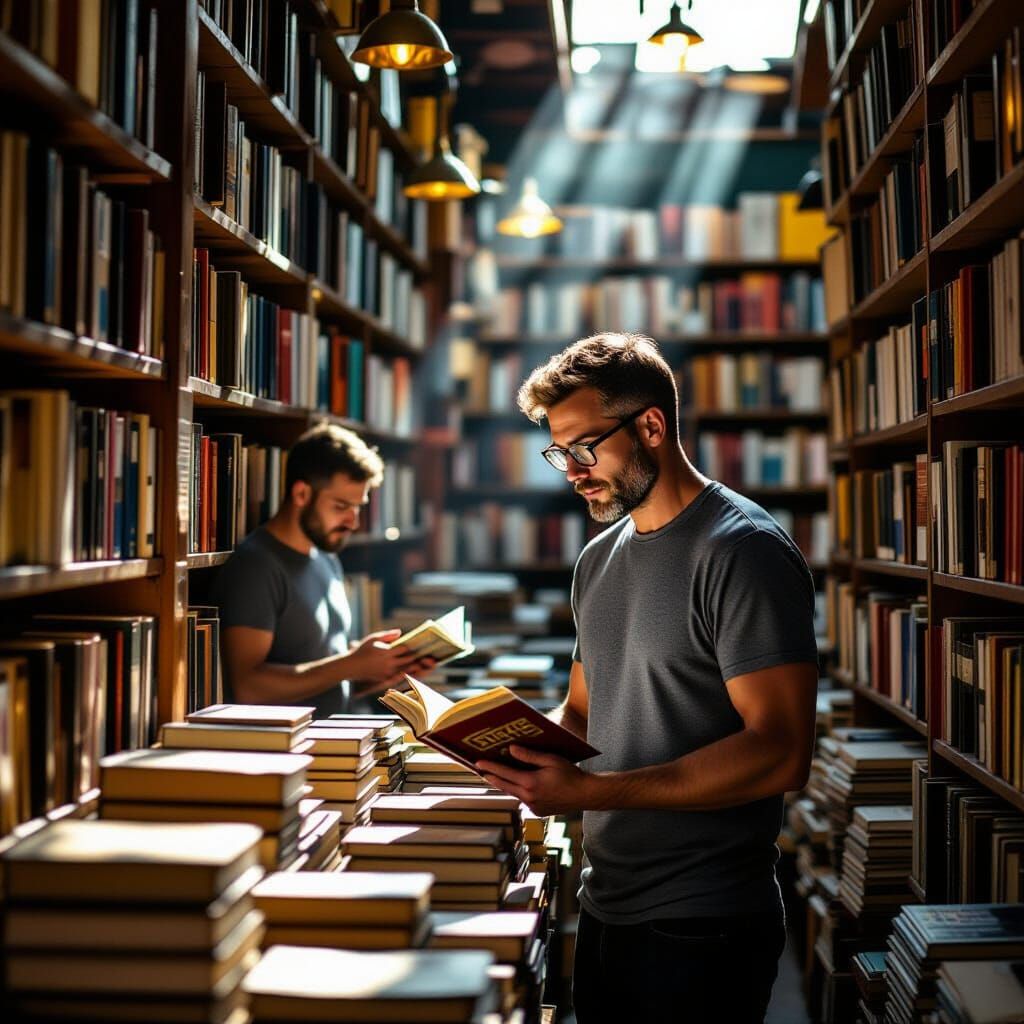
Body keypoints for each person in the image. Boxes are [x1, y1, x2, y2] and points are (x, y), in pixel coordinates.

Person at [476, 333, 819, 1022]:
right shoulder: (598, 560)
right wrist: (512, 756)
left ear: (652, 426)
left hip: (704, 924)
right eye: (558, 451)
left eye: (583, 447)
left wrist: (592, 791)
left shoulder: (743, 553)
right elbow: (583, 711)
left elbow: (781, 752)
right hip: (605, 904)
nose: (570, 470)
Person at [210, 423, 432, 718]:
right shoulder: (257, 566)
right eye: (341, 506)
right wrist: (351, 664)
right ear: (301, 493)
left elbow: (323, 676)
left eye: (358, 507)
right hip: (286, 755)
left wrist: (376, 672)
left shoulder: (325, 557)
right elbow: (248, 687)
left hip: (337, 747)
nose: (353, 522)